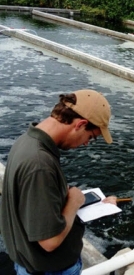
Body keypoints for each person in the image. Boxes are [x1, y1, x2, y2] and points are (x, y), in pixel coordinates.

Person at [0, 89, 118, 275]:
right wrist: (74, 201)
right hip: (48, 270)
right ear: (80, 124)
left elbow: (36, 200)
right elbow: (49, 241)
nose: (86, 144)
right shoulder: (40, 163)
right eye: (90, 137)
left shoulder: (27, 141)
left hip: (29, 263)